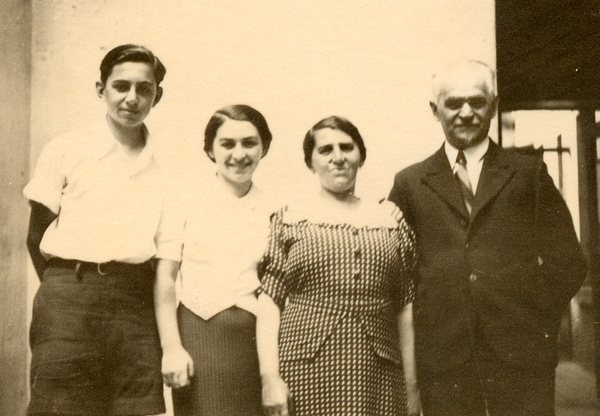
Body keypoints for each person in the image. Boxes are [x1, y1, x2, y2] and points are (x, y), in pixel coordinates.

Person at [388, 61, 587, 416]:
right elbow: (396, 268)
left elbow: (569, 262)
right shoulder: (410, 183)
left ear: (493, 106)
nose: (466, 113)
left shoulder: (529, 174)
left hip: (521, 354)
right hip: (443, 356)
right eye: (454, 103)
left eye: (477, 102)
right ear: (435, 110)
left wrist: (530, 317)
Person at [24, 44, 167, 416]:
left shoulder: (167, 164)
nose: (132, 98)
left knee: (136, 407)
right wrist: (69, 288)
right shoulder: (66, 148)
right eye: (121, 86)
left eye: (144, 89)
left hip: (136, 302)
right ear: (100, 90)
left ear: (158, 95)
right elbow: (35, 234)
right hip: (69, 297)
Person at [256, 116, 421, 416]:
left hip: (379, 371)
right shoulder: (291, 219)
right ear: (311, 162)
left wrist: (412, 388)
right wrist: (270, 378)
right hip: (305, 367)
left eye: (347, 147)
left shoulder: (389, 220)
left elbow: (405, 308)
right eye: (325, 150)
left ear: (361, 156)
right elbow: (269, 302)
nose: (338, 158)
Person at [154, 104, 275, 416]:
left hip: (255, 340)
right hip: (198, 334)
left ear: (265, 147)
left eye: (250, 143)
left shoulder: (276, 209)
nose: (239, 154)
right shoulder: (184, 200)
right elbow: (165, 278)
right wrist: (172, 347)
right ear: (210, 150)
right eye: (227, 144)